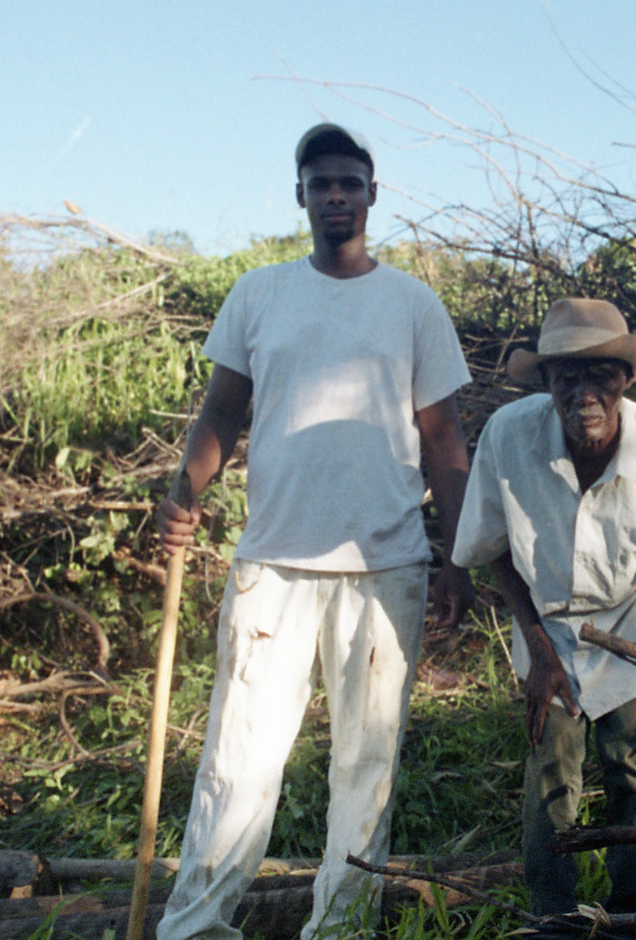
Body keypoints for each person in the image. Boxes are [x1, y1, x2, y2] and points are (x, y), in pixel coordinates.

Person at [153, 123, 475, 940]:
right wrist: (183, 492)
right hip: (275, 565)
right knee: (239, 760)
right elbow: (222, 413)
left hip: (386, 564)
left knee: (366, 771)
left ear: (372, 194)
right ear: (300, 195)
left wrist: (460, 557)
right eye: (321, 183)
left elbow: (443, 442)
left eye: (350, 184)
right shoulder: (259, 293)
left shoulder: (412, 304)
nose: (336, 196)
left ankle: (340, 930)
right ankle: (194, 927)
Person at [450, 298, 636, 929]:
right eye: (566, 377)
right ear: (546, 381)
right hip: (548, 626)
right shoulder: (508, 436)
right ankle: (555, 919)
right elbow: (491, 549)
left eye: (601, 373)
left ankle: (631, 912)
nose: (585, 393)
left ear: (625, 379)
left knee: (635, 773)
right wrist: (539, 649)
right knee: (550, 771)